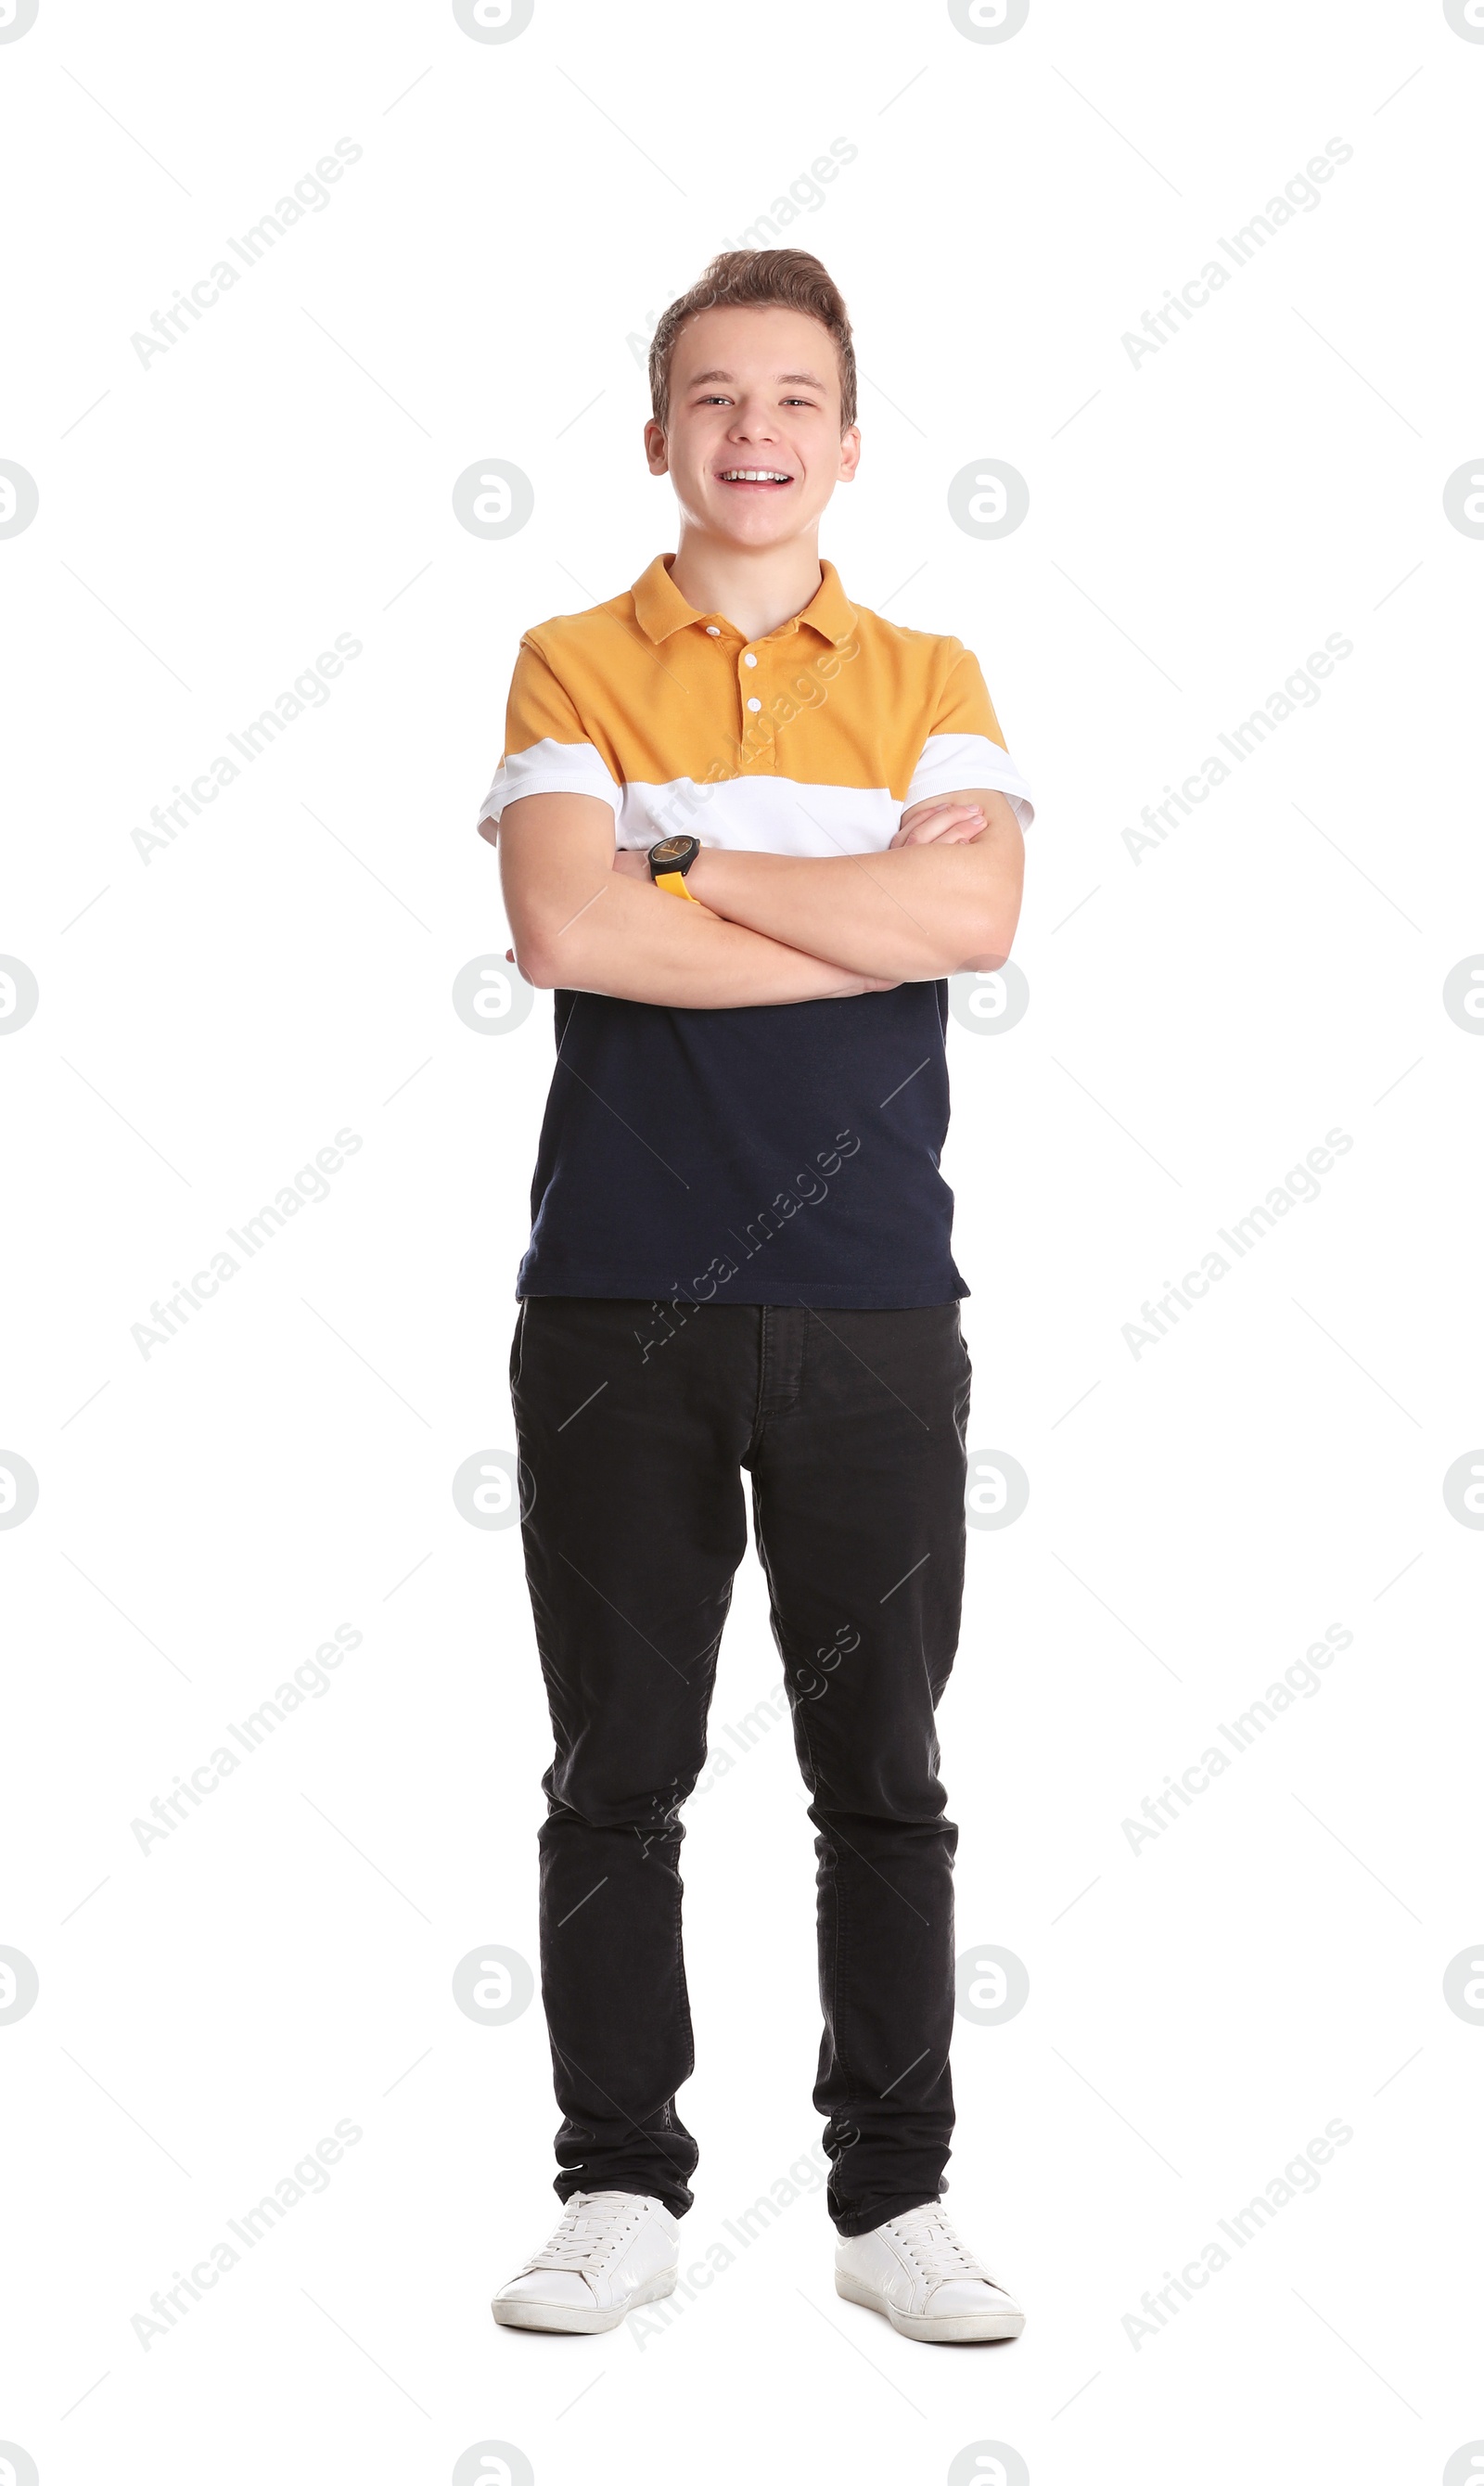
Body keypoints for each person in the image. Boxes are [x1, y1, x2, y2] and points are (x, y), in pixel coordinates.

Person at [478, 249, 1035, 2345]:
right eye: (715, 397)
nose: (753, 432)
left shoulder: (928, 666)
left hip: (875, 1305)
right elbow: (556, 928)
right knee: (615, 1767)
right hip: (613, 1297)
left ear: (846, 441)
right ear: (657, 434)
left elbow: (968, 909)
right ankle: (615, 2182)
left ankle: (892, 2198)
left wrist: (683, 867)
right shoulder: (562, 656)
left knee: (878, 1769)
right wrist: (830, 914)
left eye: (793, 399)